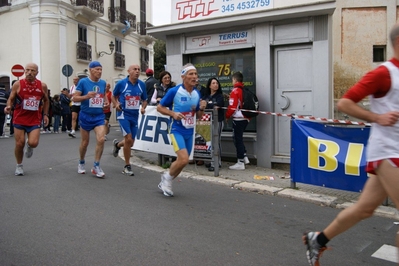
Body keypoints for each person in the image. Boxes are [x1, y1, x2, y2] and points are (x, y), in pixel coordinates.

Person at [303, 23, 399, 266]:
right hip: (387, 150)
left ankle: (318, 239)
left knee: (365, 209)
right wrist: (378, 118)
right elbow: (345, 103)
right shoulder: (384, 73)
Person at [156, 63, 207, 196]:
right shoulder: (175, 91)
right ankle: (167, 180)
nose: (194, 76)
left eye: (195, 74)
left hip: (190, 131)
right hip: (176, 129)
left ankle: (166, 178)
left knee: (184, 162)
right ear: (183, 77)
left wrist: (201, 108)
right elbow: (159, 108)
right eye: (191, 74)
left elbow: (199, 116)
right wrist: (173, 114)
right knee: (183, 159)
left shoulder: (197, 93)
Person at [4, 63, 49, 176]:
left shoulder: (42, 86)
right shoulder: (18, 84)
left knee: (34, 143)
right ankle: (19, 165)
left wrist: (45, 115)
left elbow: (46, 101)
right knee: (19, 144)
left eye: (32, 70)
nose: (29, 72)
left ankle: (30, 146)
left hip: (34, 119)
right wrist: (8, 106)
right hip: (20, 118)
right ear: (24, 71)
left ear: (37, 73)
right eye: (27, 70)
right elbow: (11, 98)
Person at [72, 61, 109, 178]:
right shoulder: (83, 82)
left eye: (101, 69)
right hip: (85, 115)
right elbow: (75, 98)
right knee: (85, 143)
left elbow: (102, 97)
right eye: (97, 69)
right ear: (91, 70)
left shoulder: (103, 83)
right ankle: (81, 162)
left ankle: (96, 165)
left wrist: (106, 102)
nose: (100, 71)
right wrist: (86, 96)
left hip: (98, 116)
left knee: (101, 139)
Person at [112, 64, 148, 176]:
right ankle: (127, 166)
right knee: (128, 139)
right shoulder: (121, 83)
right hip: (123, 114)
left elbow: (145, 99)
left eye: (139, 69)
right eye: (135, 69)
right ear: (129, 71)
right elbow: (113, 96)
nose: (137, 71)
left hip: (134, 116)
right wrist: (116, 104)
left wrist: (143, 107)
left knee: (131, 142)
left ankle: (117, 145)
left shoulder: (141, 85)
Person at [225, 72, 251, 170]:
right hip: (246, 118)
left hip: (238, 118)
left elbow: (232, 107)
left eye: (232, 80)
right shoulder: (244, 89)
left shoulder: (235, 91)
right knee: (239, 138)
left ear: (235, 80)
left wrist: (227, 116)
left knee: (237, 139)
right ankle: (244, 157)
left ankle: (240, 162)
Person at [202, 77, 224, 171]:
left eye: (217, 83)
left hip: (217, 121)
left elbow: (216, 106)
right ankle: (210, 160)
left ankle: (216, 162)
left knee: (216, 141)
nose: (216, 85)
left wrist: (207, 104)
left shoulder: (220, 96)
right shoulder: (206, 96)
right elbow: (201, 104)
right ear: (210, 85)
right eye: (213, 83)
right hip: (207, 122)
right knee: (209, 142)